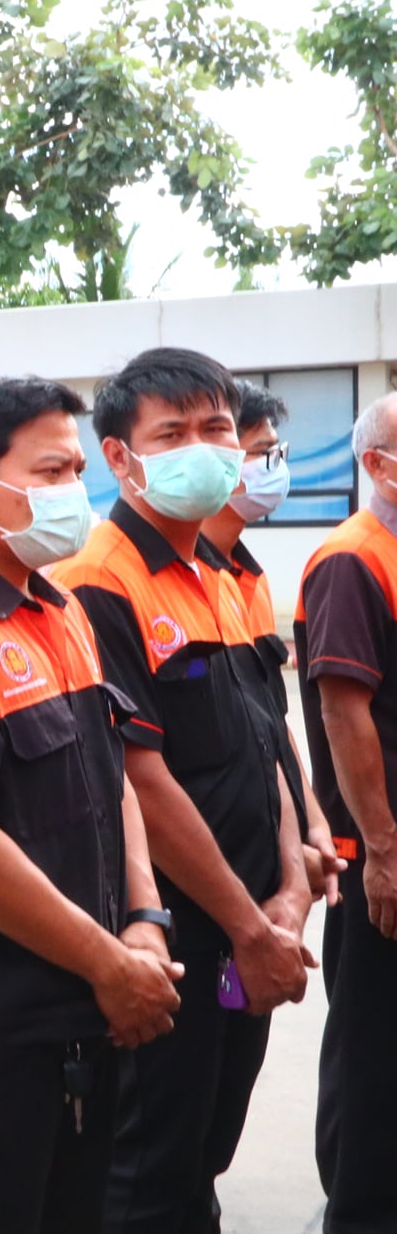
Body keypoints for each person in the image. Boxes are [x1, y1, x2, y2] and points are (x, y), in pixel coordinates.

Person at [0, 377, 183, 1234]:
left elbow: (114, 775)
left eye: (78, 471)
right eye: (50, 472)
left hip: (94, 1009)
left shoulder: (60, 607)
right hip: (7, 1031)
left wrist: (145, 921)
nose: (73, 492)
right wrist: (107, 962)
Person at [51, 346, 312, 1234]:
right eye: (173, 434)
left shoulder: (217, 573)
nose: (203, 448)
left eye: (217, 428)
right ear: (119, 456)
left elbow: (263, 739)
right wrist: (249, 924)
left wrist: (291, 885)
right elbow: (142, 778)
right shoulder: (97, 583)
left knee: (206, 1151)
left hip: (254, 921)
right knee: (149, 1171)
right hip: (178, 934)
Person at [294, 391, 397, 1233]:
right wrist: (384, 853)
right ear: (377, 464)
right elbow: (344, 710)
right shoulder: (353, 560)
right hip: (384, 861)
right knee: (374, 1054)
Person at [198, 379, 344, 907]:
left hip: (273, 862)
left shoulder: (247, 577)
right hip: (215, 872)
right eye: (263, 453)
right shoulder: (181, 578)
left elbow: (271, 724)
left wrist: (314, 821)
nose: (276, 467)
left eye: (278, 452)